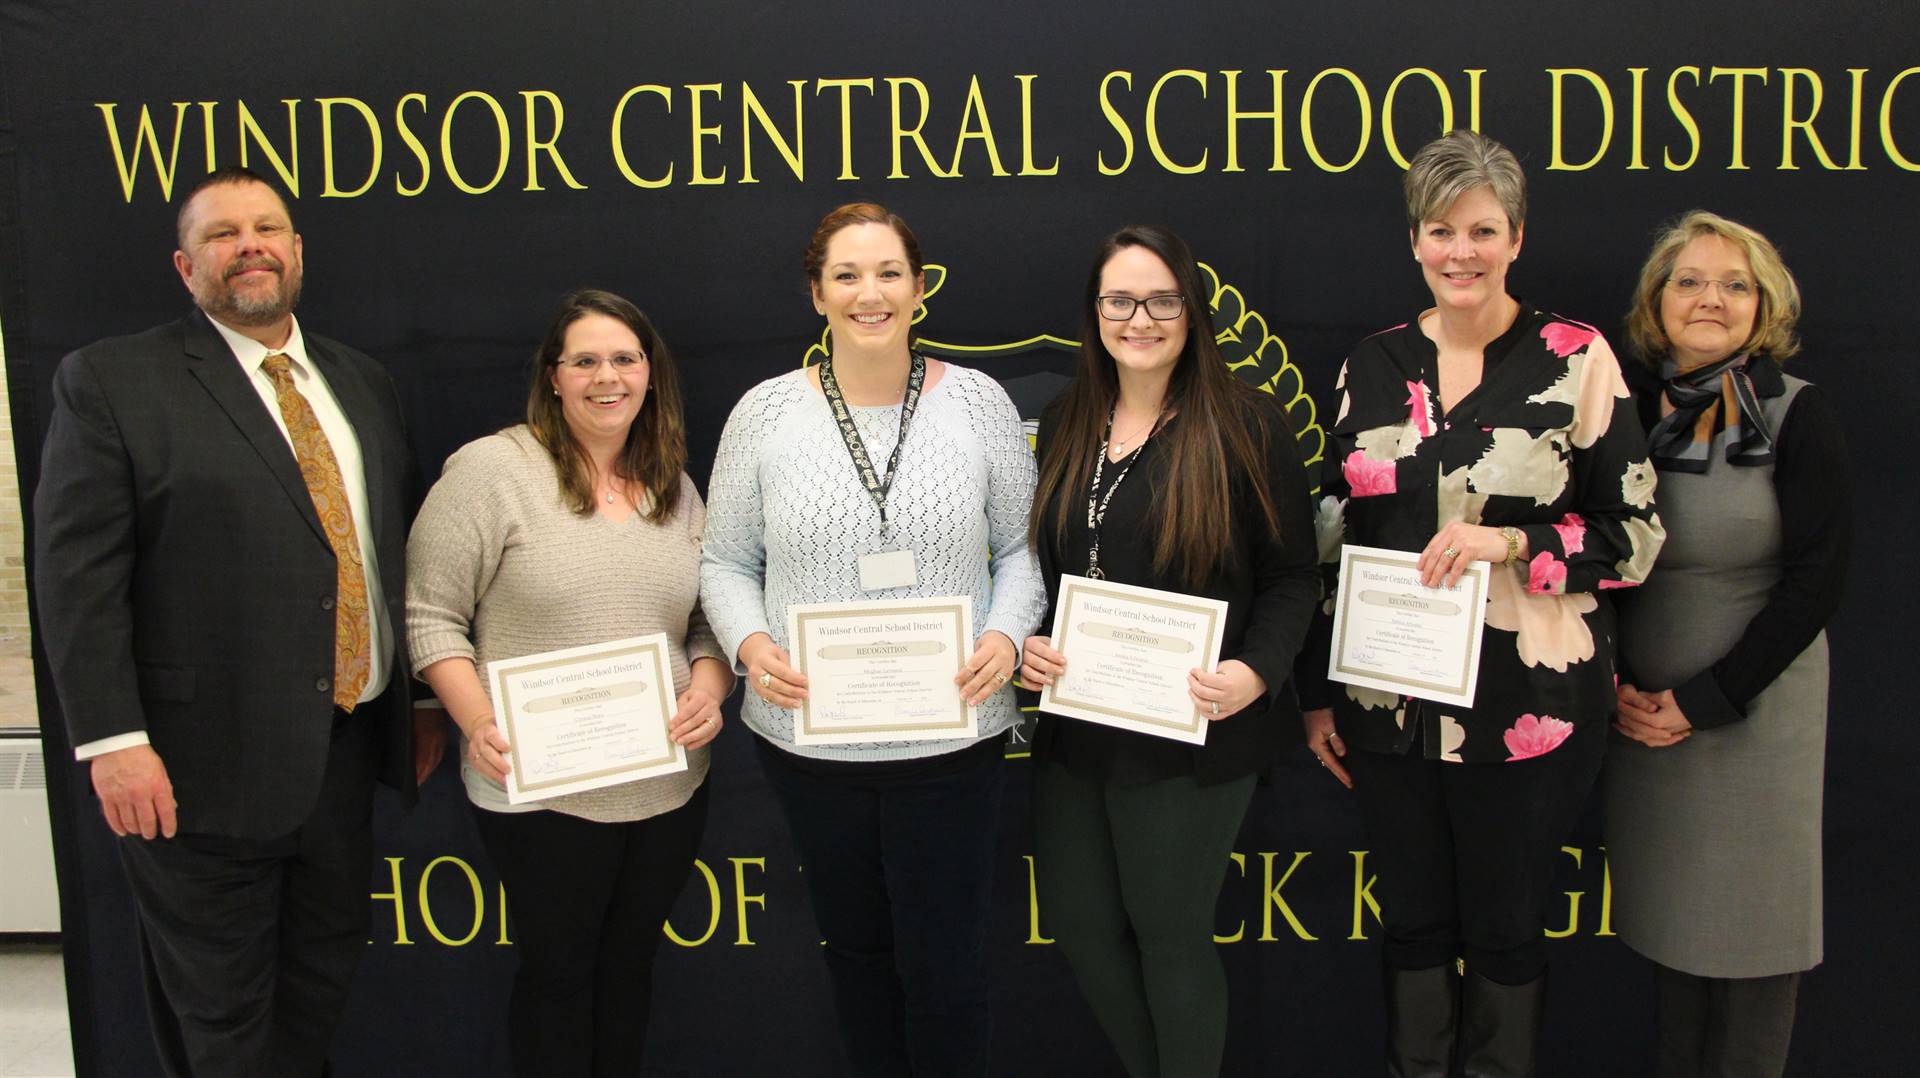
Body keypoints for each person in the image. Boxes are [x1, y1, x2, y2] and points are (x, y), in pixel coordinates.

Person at [33, 165, 419, 1077]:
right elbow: (76, 575)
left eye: (267, 228)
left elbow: (383, 553)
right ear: (184, 264)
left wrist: (415, 705)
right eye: (221, 234)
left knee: (314, 1000)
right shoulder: (114, 381)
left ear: (295, 250)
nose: (249, 245)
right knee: (224, 1027)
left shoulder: (361, 383)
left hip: (344, 755)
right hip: (193, 773)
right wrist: (111, 739)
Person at [1295, 130, 1666, 1078]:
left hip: (1527, 708)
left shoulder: (1575, 357)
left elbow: (1635, 537)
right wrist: (1316, 691)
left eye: (1483, 230)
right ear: (1414, 241)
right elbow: (1332, 540)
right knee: (1412, 924)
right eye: (1441, 229)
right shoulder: (1369, 364)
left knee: (1505, 930)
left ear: (1517, 237)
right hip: (1391, 708)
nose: (1462, 251)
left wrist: (1511, 544)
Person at [700, 202, 1046, 1077]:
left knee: (947, 970)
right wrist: (748, 647)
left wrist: (1007, 636)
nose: (870, 293)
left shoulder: (979, 401)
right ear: (816, 293)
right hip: (812, 744)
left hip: (954, 740)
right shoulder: (764, 413)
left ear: (919, 288)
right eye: (847, 275)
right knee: (856, 959)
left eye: (889, 272)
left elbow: (1022, 549)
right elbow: (726, 561)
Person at [1015, 225, 1320, 1076]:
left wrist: (1256, 673)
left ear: (1191, 311)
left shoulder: (1245, 425)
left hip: (1193, 726)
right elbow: (1044, 568)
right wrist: (1030, 646)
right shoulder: (1067, 420)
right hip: (1079, 723)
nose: (1139, 318)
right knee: (1081, 927)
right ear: (1095, 313)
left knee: (1170, 935)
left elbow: (1294, 575)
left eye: (1161, 300)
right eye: (1120, 300)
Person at [407, 289, 732, 1077]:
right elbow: (429, 615)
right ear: (552, 377)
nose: (605, 377)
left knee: (629, 973)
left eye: (624, 359)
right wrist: (477, 720)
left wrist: (710, 690)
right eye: (584, 361)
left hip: (665, 787)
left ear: (650, 375)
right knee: (558, 978)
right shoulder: (494, 471)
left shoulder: (674, 486)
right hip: (540, 789)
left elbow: (705, 622)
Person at [1602, 212, 1848, 1078]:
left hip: (1753, 723)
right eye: (1690, 281)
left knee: (1751, 962)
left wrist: (1704, 701)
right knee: (1674, 952)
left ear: (1763, 306)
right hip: (1642, 722)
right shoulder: (1623, 409)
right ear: (1656, 302)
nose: (1711, 298)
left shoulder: (1796, 414)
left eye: (1735, 284)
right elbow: (1598, 559)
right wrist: (1626, 686)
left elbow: (1817, 581)